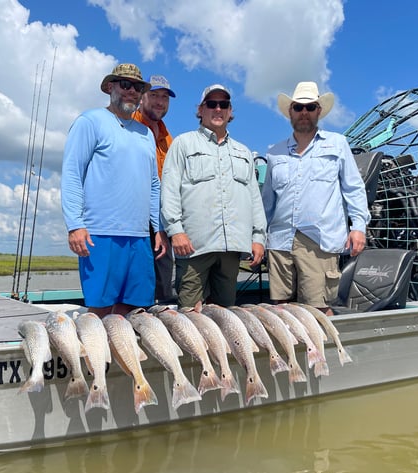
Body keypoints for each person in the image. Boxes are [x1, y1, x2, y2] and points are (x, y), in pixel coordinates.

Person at [61, 63, 168, 318]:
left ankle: (120, 356)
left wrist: (159, 228)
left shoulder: (145, 133)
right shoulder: (90, 122)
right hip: (100, 234)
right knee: (99, 309)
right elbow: (72, 173)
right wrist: (75, 224)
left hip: (140, 237)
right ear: (110, 87)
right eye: (125, 84)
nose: (131, 91)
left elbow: (154, 184)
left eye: (138, 87)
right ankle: (97, 358)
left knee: (131, 309)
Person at [262, 81, 371, 315]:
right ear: (290, 111)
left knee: (319, 309)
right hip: (280, 241)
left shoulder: (338, 144)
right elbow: (267, 202)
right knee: (281, 310)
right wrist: (259, 236)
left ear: (318, 111)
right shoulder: (274, 152)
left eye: (310, 107)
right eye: (298, 108)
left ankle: (325, 352)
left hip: (320, 241)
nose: (304, 113)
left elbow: (353, 188)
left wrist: (358, 227)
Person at [161, 84, 266, 309]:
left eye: (223, 104)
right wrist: (176, 231)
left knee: (225, 314)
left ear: (230, 111)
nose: (217, 109)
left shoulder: (244, 152)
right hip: (193, 246)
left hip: (231, 250)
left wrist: (258, 238)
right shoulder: (183, 143)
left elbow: (254, 198)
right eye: (211, 104)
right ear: (200, 110)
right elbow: (169, 190)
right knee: (189, 313)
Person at [133, 75, 176, 303]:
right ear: (141, 97)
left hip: (162, 222)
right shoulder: (127, 128)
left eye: (165, 97)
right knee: (135, 284)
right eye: (154, 95)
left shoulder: (170, 139)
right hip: (134, 220)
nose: (160, 102)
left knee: (163, 284)